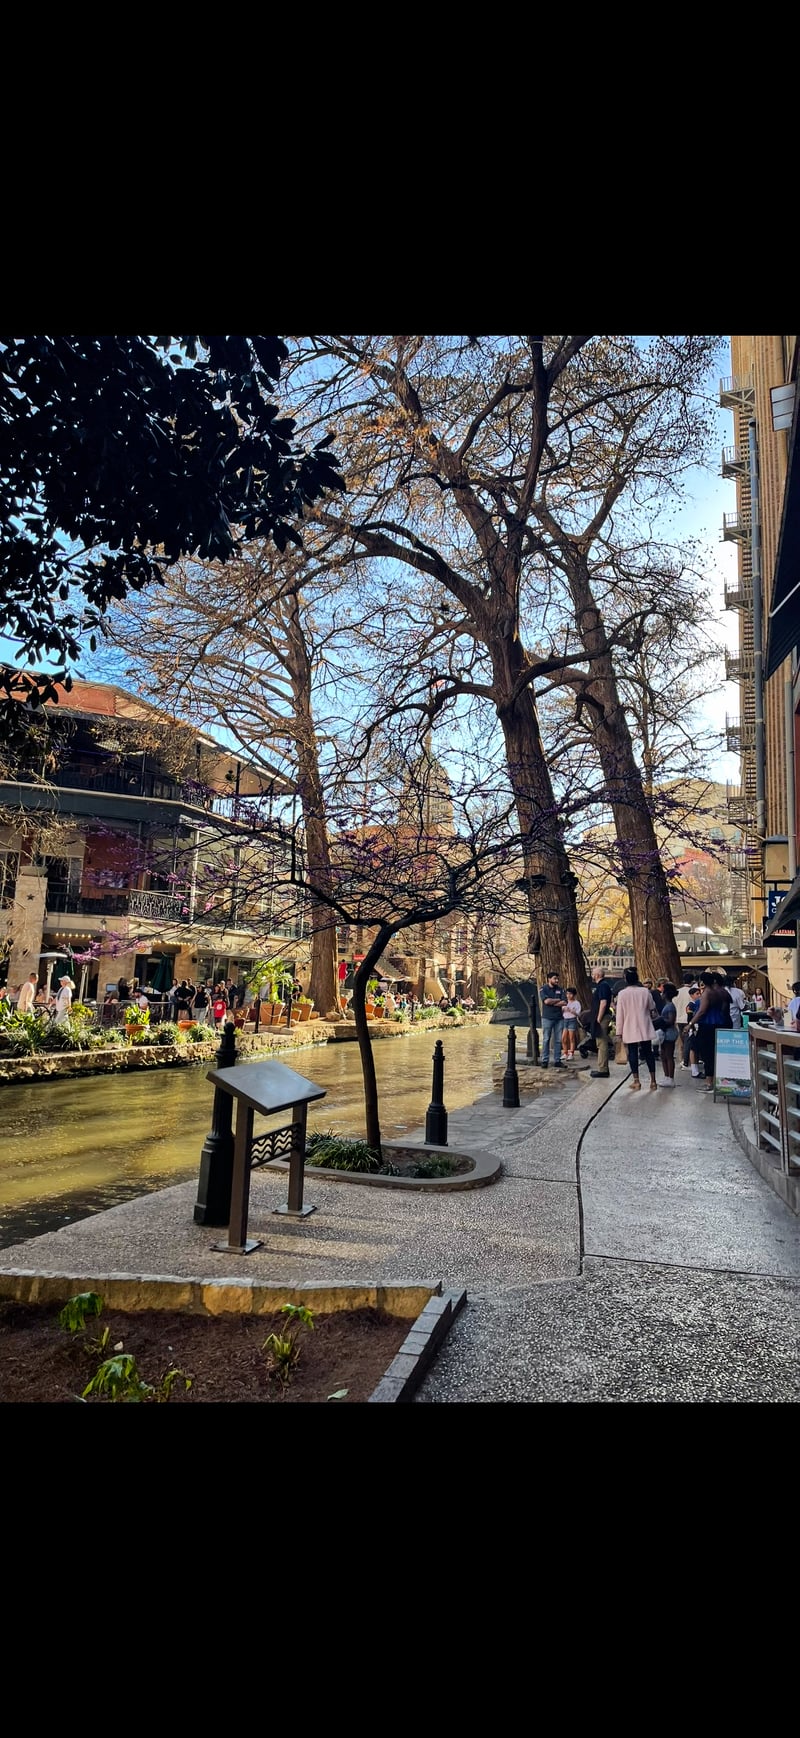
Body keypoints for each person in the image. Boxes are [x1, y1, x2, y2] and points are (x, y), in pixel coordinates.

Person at [613, 967, 659, 1092]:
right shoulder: (645, 992)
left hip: (629, 1026)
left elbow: (620, 1014)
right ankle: (653, 1081)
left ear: (625, 979)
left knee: (633, 1053)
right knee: (648, 1052)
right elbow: (652, 1007)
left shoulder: (622, 994)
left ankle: (636, 1081)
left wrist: (619, 1032)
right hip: (644, 1025)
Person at [691, 971, 732, 1092]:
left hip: (708, 1025)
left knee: (707, 1054)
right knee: (718, 1054)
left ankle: (709, 1082)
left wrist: (690, 1024)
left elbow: (702, 1011)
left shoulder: (708, 993)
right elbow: (725, 1009)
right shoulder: (723, 993)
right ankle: (718, 1081)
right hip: (723, 1024)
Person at [588, 965, 614, 1077]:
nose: (592, 975)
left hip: (602, 1017)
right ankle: (601, 1067)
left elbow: (603, 1003)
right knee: (600, 1041)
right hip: (600, 1017)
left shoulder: (603, 986)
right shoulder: (602, 986)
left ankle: (603, 1069)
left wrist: (598, 1018)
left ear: (597, 975)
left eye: (593, 973)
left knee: (601, 1042)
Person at [540, 972, 566, 1069]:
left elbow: (564, 1002)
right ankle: (545, 1060)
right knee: (546, 1039)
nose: (557, 980)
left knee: (558, 1040)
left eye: (557, 978)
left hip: (559, 1018)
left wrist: (552, 1001)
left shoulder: (560, 989)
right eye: (555, 978)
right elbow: (546, 1001)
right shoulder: (543, 989)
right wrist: (557, 1000)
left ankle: (557, 1060)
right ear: (549, 979)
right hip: (547, 1018)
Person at [656, 981, 678, 1086]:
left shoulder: (670, 1007)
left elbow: (671, 1020)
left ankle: (671, 1078)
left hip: (669, 1034)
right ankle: (666, 1076)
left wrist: (660, 1020)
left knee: (669, 1055)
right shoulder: (667, 1006)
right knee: (663, 1055)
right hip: (665, 1033)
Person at [561, 986, 582, 1060]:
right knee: (563, 1038)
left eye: (570, 994)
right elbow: (560, 1010)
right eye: (567, 994)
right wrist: (563, 1009)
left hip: (572, 1020)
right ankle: (565, 1053)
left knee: (571, 1037)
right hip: (565, 1020)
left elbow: (578, 1014)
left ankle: (571, 1053)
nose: (568, 996)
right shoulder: (564, 1002)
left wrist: (571, 1010)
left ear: (574, 995)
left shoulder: (577, 1003)